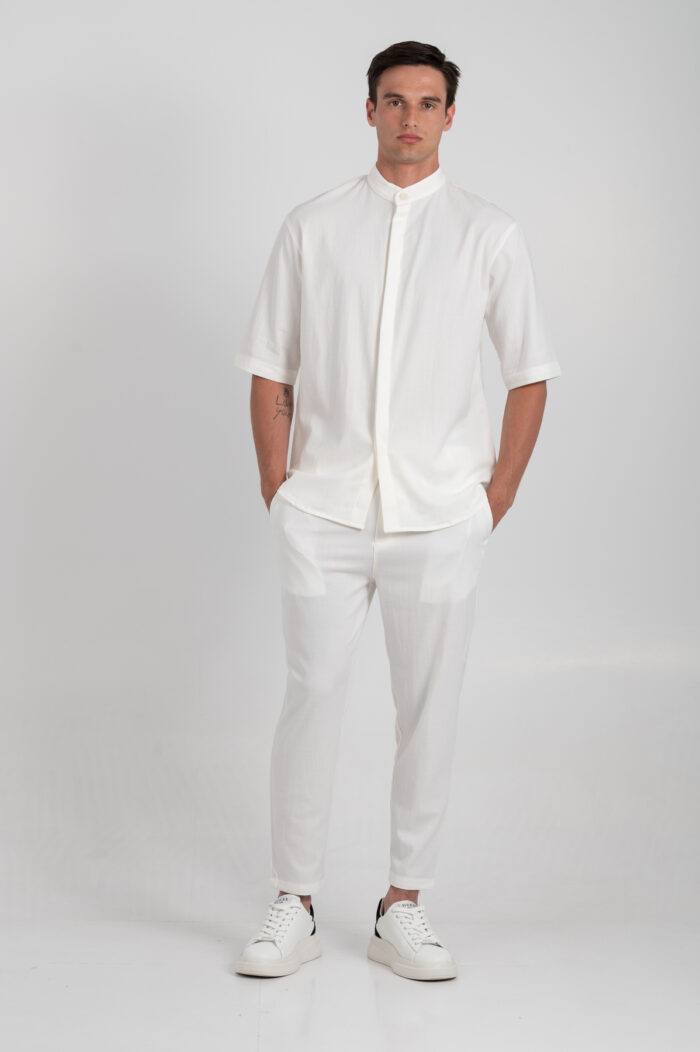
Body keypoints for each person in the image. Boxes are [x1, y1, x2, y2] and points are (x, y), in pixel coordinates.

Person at [233, 40, 561, 981]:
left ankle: (401, 906)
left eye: (426, 102)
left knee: (430, 708)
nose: (409, 117)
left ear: (450, 116)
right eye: (393, 100)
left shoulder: (489, 234)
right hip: (324, 510)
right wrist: (279, 486)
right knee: (312, 697)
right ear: (369, 109)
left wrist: (493, 499)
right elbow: (271, 363)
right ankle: (295, 901)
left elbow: (530, 372)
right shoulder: (313, 227)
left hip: (440, 515)